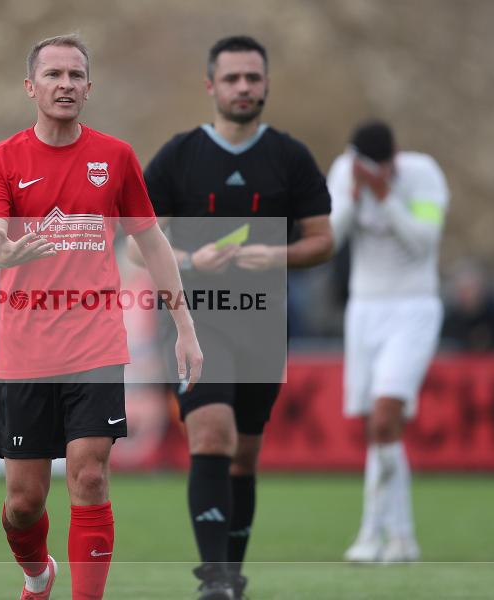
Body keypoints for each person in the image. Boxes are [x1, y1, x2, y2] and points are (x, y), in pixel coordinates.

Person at [0, 34, 202, 600]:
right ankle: (37, 575)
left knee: (90, 476)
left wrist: (187, 330)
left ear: (89, 88)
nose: (65, 85)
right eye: (53, 75)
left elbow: (152, 246)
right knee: (24, 504)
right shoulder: (1, 159)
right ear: (31, 87)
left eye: (75, 76)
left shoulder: (116, 157)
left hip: (96, 344)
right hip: (25, 351)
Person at [131, 35, 333, 599]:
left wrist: (279, 255)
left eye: (253, 78)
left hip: (264, 322)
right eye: (232, 78)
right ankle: (214, 578)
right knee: (211, 434)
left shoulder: (290, 157)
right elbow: (134, 244)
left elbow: (324, 240)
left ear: (265, 84)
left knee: (244, 453)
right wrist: (192, 258)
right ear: (211, 86)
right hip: (196, 320)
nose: (243, 87)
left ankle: (232, 575)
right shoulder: (180, 154)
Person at [328, 120, 449, 563]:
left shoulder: (424, 175)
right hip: (365, 309)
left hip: (413, 307)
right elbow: (331, 238)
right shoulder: (345, 172)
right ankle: (400, 538)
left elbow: (425, 241)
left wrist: (386, 197)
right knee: (378, 429)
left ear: (395, 155)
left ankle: (369, 533)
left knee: (384, 418)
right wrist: (354, 198)